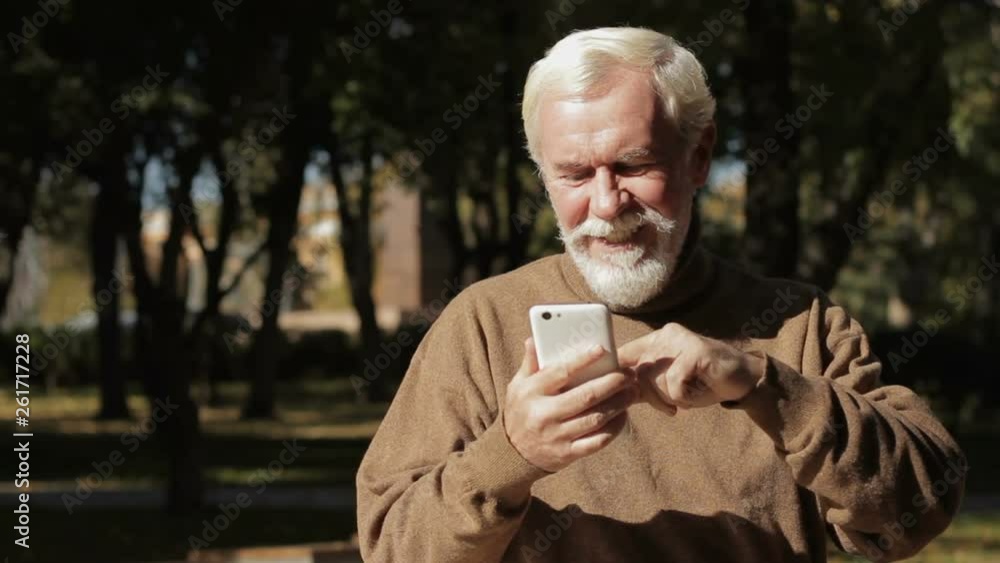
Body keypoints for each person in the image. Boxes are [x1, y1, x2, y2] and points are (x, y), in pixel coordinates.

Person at [356, 27, 965, 562]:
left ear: (699, 156)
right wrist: (510, 454)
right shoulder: (482, 324)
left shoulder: (799, 323)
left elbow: (921, 507)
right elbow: (393, 548)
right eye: (572, 174)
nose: (605, 204)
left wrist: (763, 384)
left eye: (633, 165)